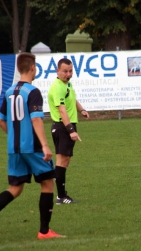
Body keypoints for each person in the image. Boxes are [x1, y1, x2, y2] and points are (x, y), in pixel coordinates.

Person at [0, 52, 65, 239]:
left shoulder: (9, 92)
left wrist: (15, 135)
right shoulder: (32, 91)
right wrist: (46, 146)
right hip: (33, 147)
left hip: (14, 148)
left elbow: (0, 121)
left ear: (18, 68)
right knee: (48, 184)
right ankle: (44, 231)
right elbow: (36, 120)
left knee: (15, 189)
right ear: (33, 68)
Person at [48, 58, 90, 204]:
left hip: (66, 126)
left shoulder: (67, 84)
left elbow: (73, 99)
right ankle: (60, 196)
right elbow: (62, 111)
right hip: (62, 127)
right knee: (61, 161)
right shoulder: (58, 87)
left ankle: (61, 193)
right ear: (57, 71)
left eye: (70, 71)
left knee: (65, 161)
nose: (68, 74)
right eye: (65, 71)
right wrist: (71, 130)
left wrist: (82, 109)